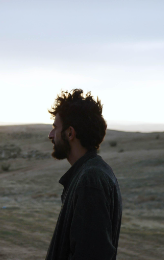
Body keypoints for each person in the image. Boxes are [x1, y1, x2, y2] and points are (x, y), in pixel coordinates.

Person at [45, 89, 122, 260]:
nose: (51, 135)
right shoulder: (90, 173)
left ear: (70, 133)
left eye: (55, 128)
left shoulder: (91, 180)